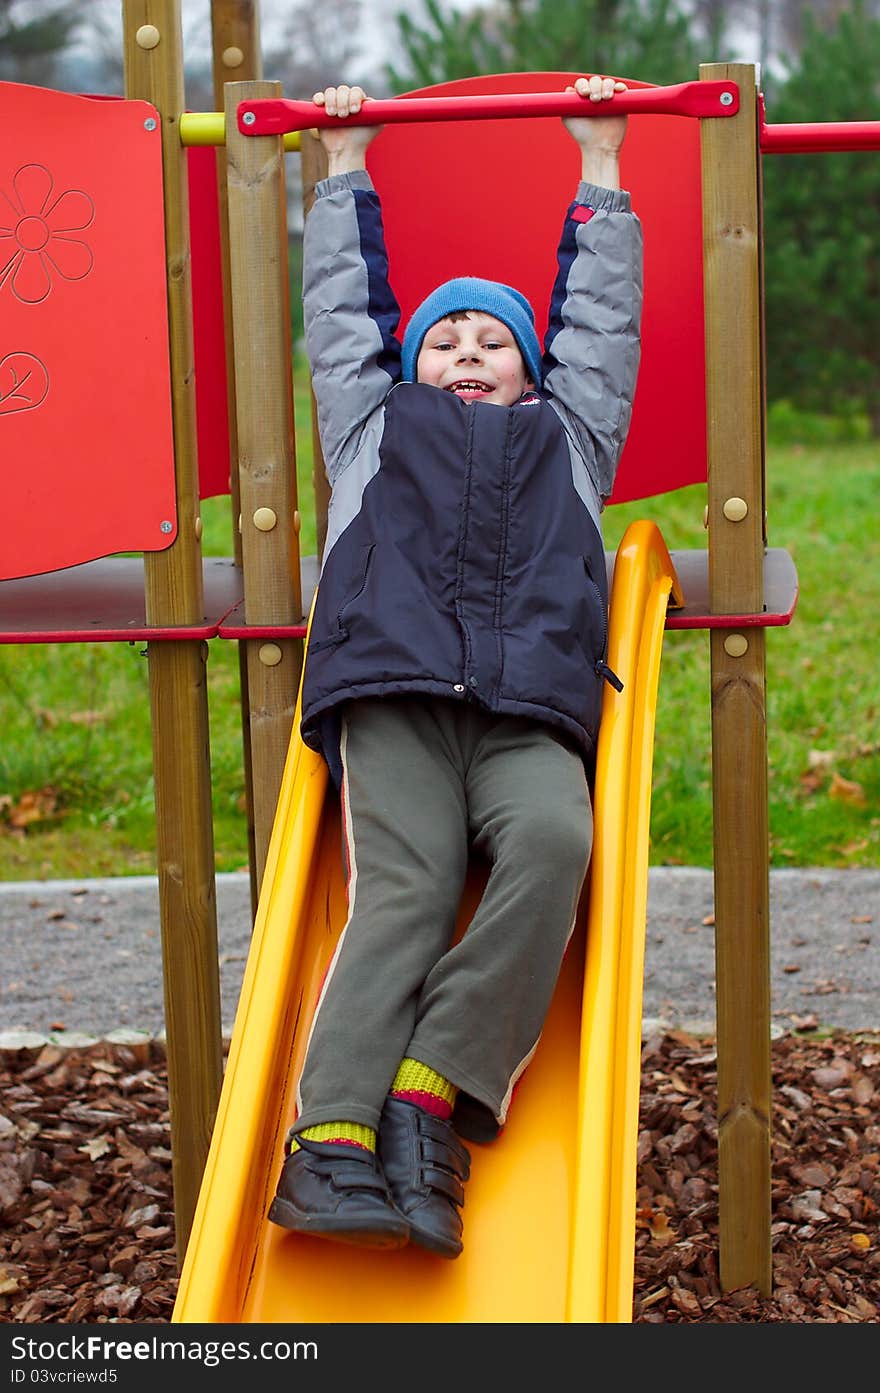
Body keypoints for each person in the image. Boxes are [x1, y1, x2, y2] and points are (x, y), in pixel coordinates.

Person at [268, 74, 642, 1259]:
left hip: (529, 708)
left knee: (554, 843)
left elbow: (599, 321)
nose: (468, 353)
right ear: (411, 363)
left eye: (493, 341)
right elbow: (340, 313)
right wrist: (341, 169)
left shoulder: (571, 438)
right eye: (445, 338)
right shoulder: (370, 428)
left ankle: (432, 1083)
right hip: (395, 698)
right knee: (410, 888)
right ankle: (327, 1142)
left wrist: (600, 162)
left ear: (531, 371)